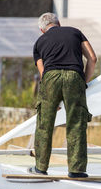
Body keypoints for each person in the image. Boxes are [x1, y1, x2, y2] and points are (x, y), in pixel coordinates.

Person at [28, 12, 97, 178]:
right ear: (58, 23)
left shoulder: (39, 42)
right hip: (74, 76)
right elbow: (92, 59)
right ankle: (76, 170)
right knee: (76, 123)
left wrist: (53, 98)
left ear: (42, 30)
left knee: (45, 123)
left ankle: (40, 168)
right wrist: (83, 82)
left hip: (51, 77)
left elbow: (43, 73)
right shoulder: (75, 32)